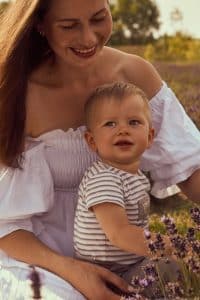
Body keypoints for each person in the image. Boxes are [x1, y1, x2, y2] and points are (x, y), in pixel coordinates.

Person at [0, 0, 199, 299]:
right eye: (69, 26)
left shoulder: (134, 74)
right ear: (40, 25)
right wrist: (74, 272)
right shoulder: (19, 92)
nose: (89, 38)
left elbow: (189, 164)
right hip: (40, 257)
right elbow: (7, 226)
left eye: (98, 18)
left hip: (126, 255)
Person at [74, 82, 177, 286]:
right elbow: (119, 234)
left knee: (178, 265)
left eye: (134, 122)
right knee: (174, 266)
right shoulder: (103, 178)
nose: (123, 130)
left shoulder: (136, 177)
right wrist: (173, 245)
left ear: (149, 138)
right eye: (110, 124)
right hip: (106, 273)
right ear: (92, 141)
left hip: (132, 263)